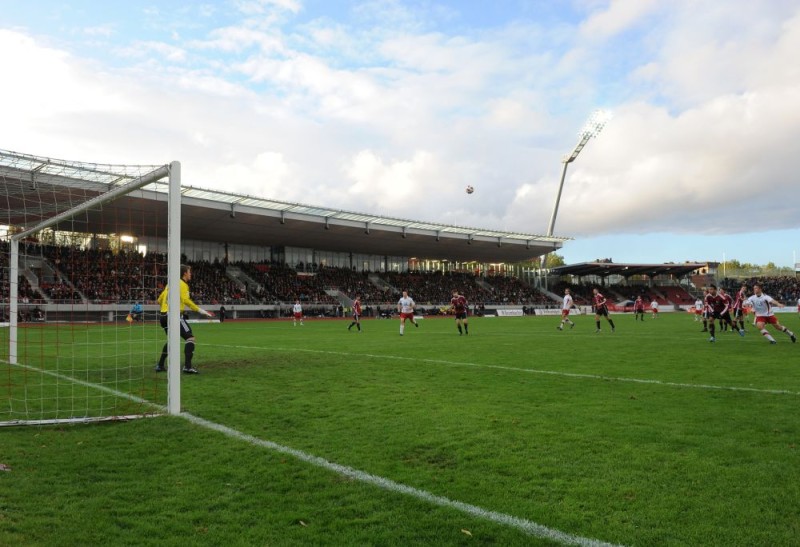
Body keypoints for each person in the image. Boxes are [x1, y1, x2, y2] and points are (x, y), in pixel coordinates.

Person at [155, 264, 214, 374]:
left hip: (163, 316)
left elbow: (159, 299)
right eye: (189, 272)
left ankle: (160, 365)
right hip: (174, 316)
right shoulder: (183, 285)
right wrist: (201, 311)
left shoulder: (170, 284)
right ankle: (187, 366)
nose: (190, 274)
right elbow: (186, 300)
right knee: (190, 338)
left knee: (172, 340)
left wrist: (166, 308)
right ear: (184, 273)